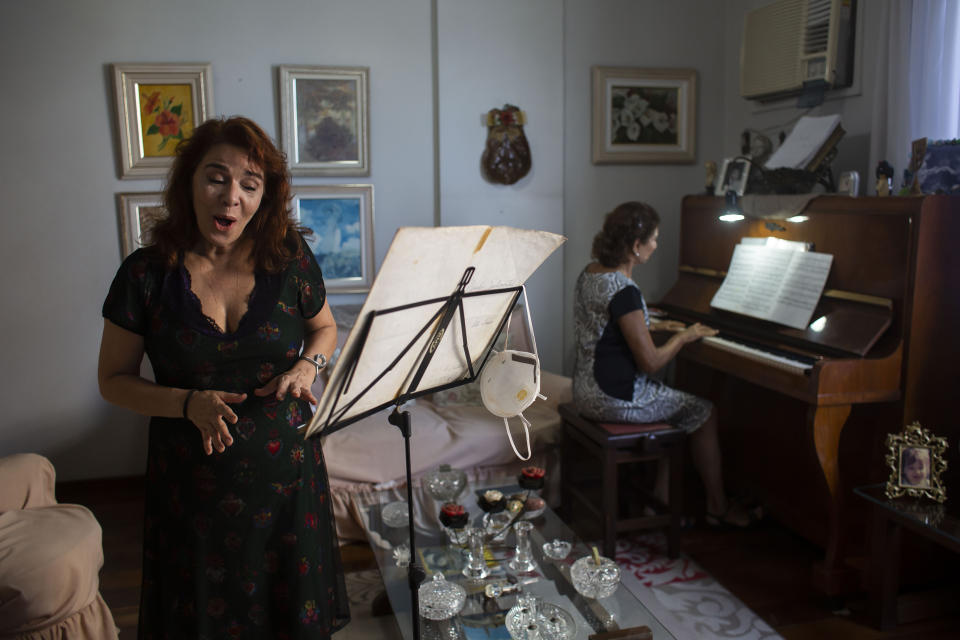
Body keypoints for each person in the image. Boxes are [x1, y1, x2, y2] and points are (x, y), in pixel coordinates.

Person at [98, 116, 350, 638]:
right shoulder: (144, 275)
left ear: (265, 196)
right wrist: (189, 403)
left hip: (290, 482)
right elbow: (113, 381)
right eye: (216, 177)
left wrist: (309, 365)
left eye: (249, 185)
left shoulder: (289, 258)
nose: (230, 197)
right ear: (189, 181)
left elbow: (324, 329)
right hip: (193, 489)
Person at [572, 201, 758, 528]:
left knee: (678, 409)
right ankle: (717, 507)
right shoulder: (625, 290)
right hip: (615, 399)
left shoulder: (590, 274)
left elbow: (607, 328)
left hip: (585, 391)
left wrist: (654, 327)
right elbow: (651, 362)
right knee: (702, 411)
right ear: (635, 246)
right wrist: (684, 337)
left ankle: (660, 502)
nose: (656, 246)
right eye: (654, 239)